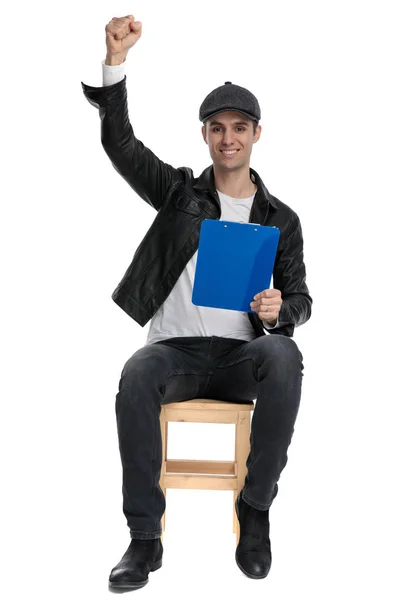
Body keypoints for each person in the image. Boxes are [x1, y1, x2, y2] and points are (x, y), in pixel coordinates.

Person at [81, 14, 313, 592]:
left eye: (239, 127)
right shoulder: (180, 194)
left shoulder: (281, 220)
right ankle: (143, 538)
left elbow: (303, 300)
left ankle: (255, 510)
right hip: (176, 354)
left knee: (284, 354)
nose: (228, 138)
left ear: (257, 133)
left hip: (240, 358)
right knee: (136, 371)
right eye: (217, 128)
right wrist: (115, 64)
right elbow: (120, 145)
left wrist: (278, 310)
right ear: (205, 135)